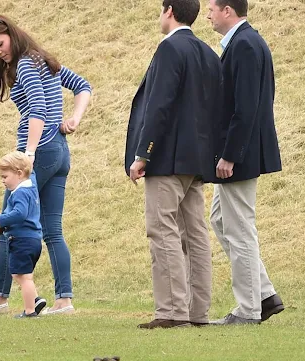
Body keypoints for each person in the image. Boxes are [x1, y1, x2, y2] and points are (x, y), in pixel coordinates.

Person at [0, 15, 92, 315]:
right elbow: (83, 86)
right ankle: (64, 301)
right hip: (59, 151)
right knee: (52, 230)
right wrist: (74, 118)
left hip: (38, 152)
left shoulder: (25, 63)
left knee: (7, 220)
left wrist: (29, 153)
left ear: (12, 35)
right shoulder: (42, 59)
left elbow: (37, 108)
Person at [125, 0, 222, 329]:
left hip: (166, 159)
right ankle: (198, 313)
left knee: (162, 231)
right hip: (196, 162)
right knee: (195, 235)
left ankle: (171, 312)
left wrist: (143, 154)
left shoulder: (170, 49)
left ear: (169, 11)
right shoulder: (208, 53)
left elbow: (159, 106)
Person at [207, 0, 284, 325]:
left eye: (212, 7)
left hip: (238, 156)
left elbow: (247, 107)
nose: (208, 13)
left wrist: (230, 154)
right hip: (241, 153)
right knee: (221, 220)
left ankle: (248, 310)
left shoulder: (245, 45)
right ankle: (265, 295)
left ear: (228, 10)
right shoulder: (246, 43)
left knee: (240, 230)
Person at [0, 152, 45, 318]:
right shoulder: (30, 189)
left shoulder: (20, 193)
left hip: (22, 240)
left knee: (22, 276)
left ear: (19, 173)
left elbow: (19, 214)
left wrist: (1, 219)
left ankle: (29, 310)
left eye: (5, 176)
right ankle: (35, 300)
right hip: (32, 239)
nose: (3, 180)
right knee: (22, 275)